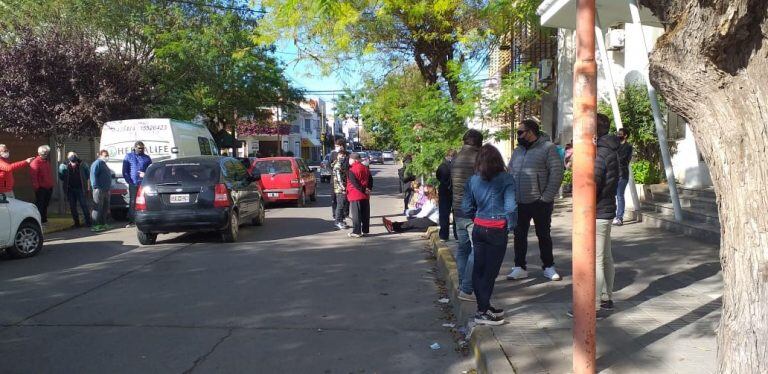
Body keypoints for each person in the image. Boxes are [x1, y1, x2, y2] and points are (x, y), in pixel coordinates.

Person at [568, 114, 620, 319]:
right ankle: (606, 297)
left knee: (596, 259)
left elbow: (593, 182)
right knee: (605, 257)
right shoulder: (611, 149)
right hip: (605, 209)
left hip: (597, 210)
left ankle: (594, 303)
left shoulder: (599, 153)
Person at [462, 144, 517, 326]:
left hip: (479, 227)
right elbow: (510, 207)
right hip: (497, 229)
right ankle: (482, 311)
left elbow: (466, 207)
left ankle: (484, 306)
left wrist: (477, 217)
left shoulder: (472, 180)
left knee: (479, 269)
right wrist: (511, 226)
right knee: (490, 272)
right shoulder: (506, 178)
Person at [507, 119, 564, 281]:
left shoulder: (548, 148)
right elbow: (510, 171)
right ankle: (519, 267)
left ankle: (548, 266)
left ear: (531, 132)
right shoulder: (518, 151)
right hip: (519, 201)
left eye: (520, 132)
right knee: (519, 235)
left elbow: (556, 174)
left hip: (540, 201)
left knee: (543, 234)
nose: (518, 135)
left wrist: (546, 198)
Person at [451, 129, 483, 302]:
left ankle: (463, 283)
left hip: (458, 210)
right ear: (478, 143)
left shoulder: (456, 158)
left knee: (463, 248)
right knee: (477, 249)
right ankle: (467, 288)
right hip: (473, 211)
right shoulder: (478, 159)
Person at [58, 152, 92, 228]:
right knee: (72, 207)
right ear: (68, 158)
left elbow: (88, 176)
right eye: (71, 156)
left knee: (84, 205)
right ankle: (77, 223)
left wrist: (88, 188)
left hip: (80, 188)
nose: (73, 158)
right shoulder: (64, 165)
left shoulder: (83, 165)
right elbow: (61, 176)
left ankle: (88, 222)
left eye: (74, 156)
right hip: (70, 189)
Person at [123, 141, 152, 227]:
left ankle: (145, 219)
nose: (141, 150)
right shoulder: (129, 156)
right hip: (133, 183)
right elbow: (125, 170)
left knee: (145, 200)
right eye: (139, 148)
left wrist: (145, 175)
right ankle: (132, 221)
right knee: (133, 201)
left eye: (142, 148)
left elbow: (150, 170)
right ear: (135, 147)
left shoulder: (147, 158)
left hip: (143, 183)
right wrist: (129, 181)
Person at [346, 153, 372, 238]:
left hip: (355, 194)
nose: (349, 160)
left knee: (356, 214)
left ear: (355, 160)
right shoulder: (365, 168)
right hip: (365, 195)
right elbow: (371, 179)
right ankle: (365, 230)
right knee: (365, 213)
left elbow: (355, 183)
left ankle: (357, 232)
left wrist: (363, 190)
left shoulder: (351, 170)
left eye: (350, 159)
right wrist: (368, 189)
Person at [30, 145, 54, 224]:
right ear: (40, 153)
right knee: (40, 205)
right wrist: (37, 187)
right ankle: (38, 221)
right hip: (41, 188)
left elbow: (49, 174)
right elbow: (34, 176)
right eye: (45, 152)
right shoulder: (35, 162)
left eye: (47, 152)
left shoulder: (46, 161)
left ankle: (44, 220)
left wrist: (51, 184)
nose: (46, 154)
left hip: (48, 187)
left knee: (45, 205)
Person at [614, 128, 633, 226]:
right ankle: (613, 215)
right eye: (617, 133)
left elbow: (624, 158)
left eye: (620, 134)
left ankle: (619, 217)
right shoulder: (615, 145)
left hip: (622, 174)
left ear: (625, 135)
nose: (618, 135)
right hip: (614, 173)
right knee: (613, 195)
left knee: (620, 195)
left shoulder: (628, 147)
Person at [90, 150, 113, 232]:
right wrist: (95, 187)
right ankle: (95, 224)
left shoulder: (104, 164)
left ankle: (103, 223)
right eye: (105, 155)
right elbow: (93, 175)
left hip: (106, 189)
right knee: (97, 207)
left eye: (107, 155)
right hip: (99, 189)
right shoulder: (97, 163)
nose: (107, 157)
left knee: (105, 207)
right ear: (100, 155)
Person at [436, 149, 456, 241]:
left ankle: (444, 235)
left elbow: (438, 176)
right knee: (456, 214)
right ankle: (457, 235)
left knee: (444, 214)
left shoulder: (442, 166)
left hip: (444, 191)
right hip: (455, 191)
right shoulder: (456, 166)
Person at [329, 139, 348, 220]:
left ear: (342, 146)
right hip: (334, 180)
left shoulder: (347, 154)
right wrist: (333, 172)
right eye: (335, 146)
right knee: (334, 199)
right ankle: (335, 215)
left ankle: (344, 215)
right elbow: (329, 165)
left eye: (337, 146)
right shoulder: (333, 154)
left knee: (344, 200)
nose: (336, 147)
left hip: (344, 180)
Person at [333, 148, 350, 230]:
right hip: (339, 189)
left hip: (341, 188)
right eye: (341, 155)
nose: (342, 157)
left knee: (342, 205)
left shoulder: (341, 164)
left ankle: (341, 221)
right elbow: (339, 179)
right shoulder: (337, 165)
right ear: (338, 156)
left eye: (344, 155)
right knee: (340, 205)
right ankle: (337, 222)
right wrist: (343, 188)